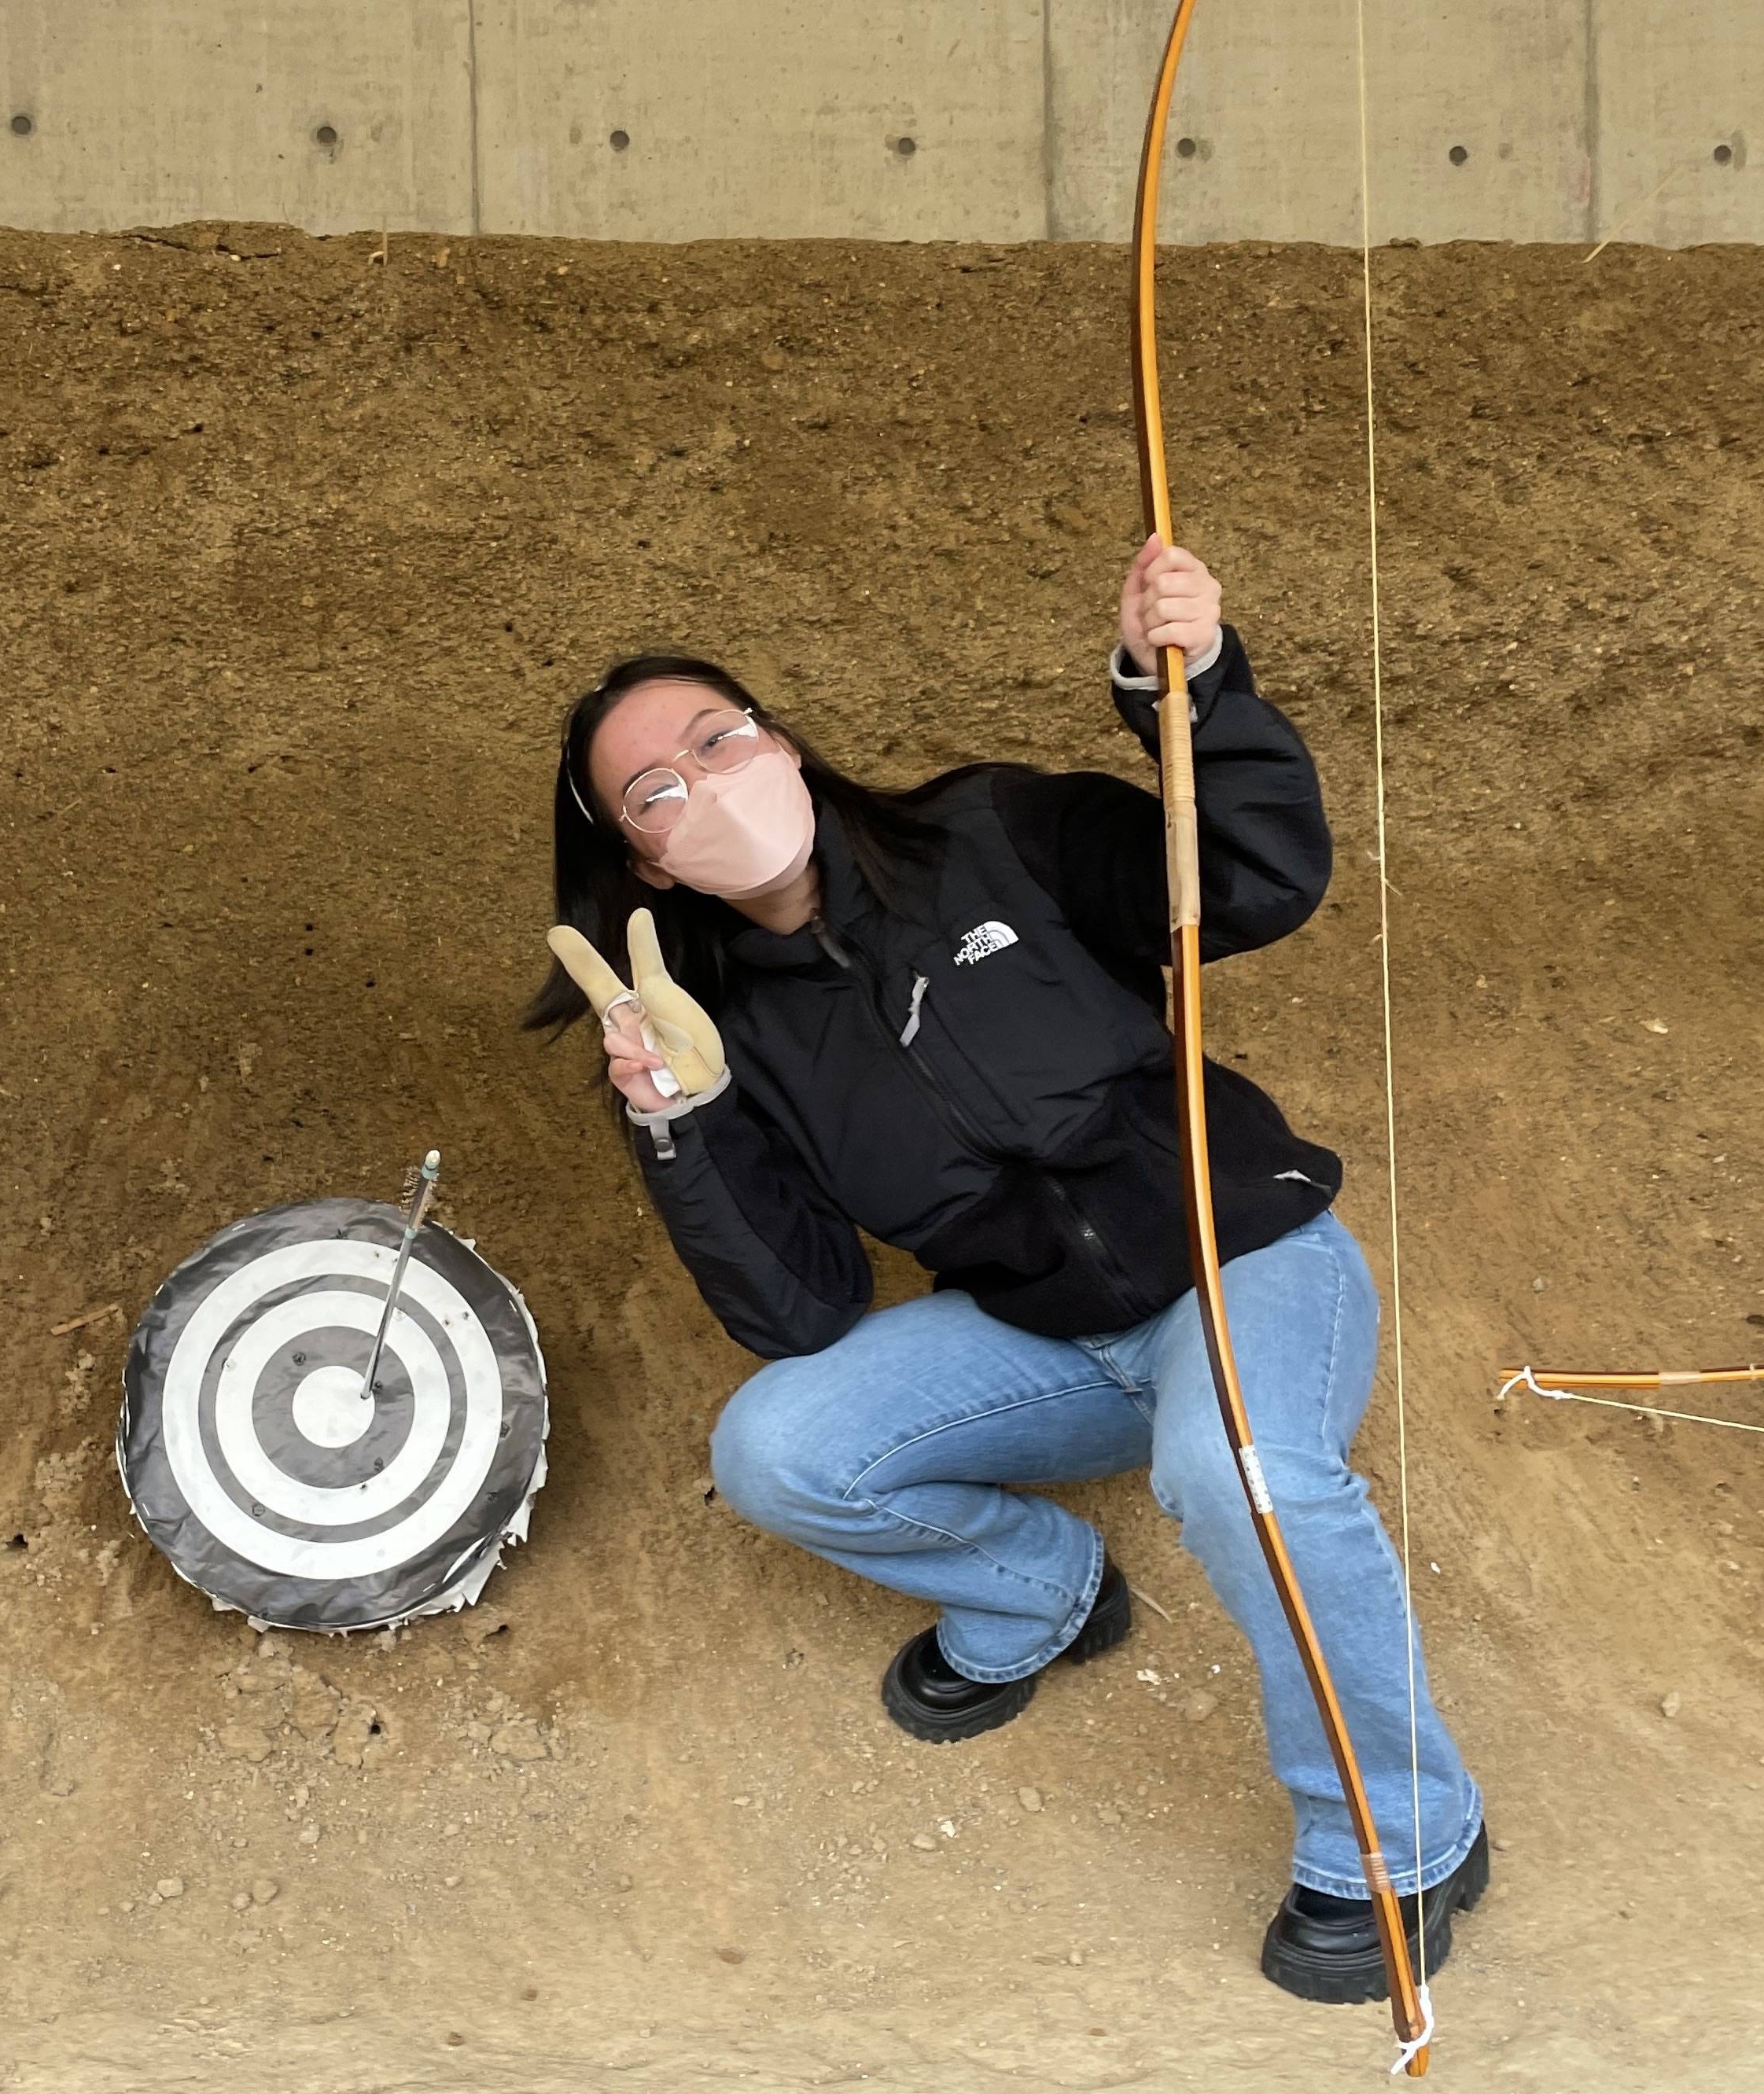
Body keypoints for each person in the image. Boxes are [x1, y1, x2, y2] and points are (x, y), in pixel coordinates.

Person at [528, 537, 1486, 2005]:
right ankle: (1044, 1593)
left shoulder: (984, 831)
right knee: (776, 1448)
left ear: (782, 740)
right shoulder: (715, 1019)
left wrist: (1191, 682)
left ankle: (1405, 1840)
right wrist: (683, 1119)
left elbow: (1254, 878)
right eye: (656, 787)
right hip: (1045, 1336)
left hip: (1253, 1261)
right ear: (640, 856)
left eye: (721, 735)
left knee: (1245, 1469)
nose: (707, 780)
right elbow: (801, 1309)